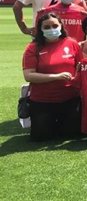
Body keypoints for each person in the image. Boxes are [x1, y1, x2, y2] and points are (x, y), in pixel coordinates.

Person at [22, 12, 82, 141]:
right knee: (41, 138)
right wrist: (56, 76)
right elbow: (29, 75)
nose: (52, 29)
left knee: (71, 135)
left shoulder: (72, 43)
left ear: (61, 26)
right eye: (47, 27)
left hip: (69, 99)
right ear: (40, 29)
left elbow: (81, 67)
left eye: (55, 25)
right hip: (42, 101)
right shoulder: (33, 48)